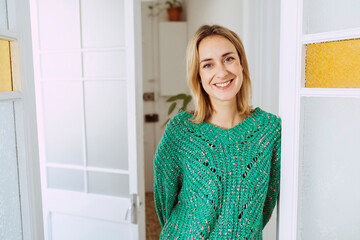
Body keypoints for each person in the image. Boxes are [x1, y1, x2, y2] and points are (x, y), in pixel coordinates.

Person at [153, 24, 281, 239]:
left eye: (228, 59)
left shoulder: (268, 130)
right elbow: (163, 199)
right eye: (208, 65)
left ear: (241, 64)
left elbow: (267, 203)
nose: (222, 72)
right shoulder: (181, 131)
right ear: (198, 76)